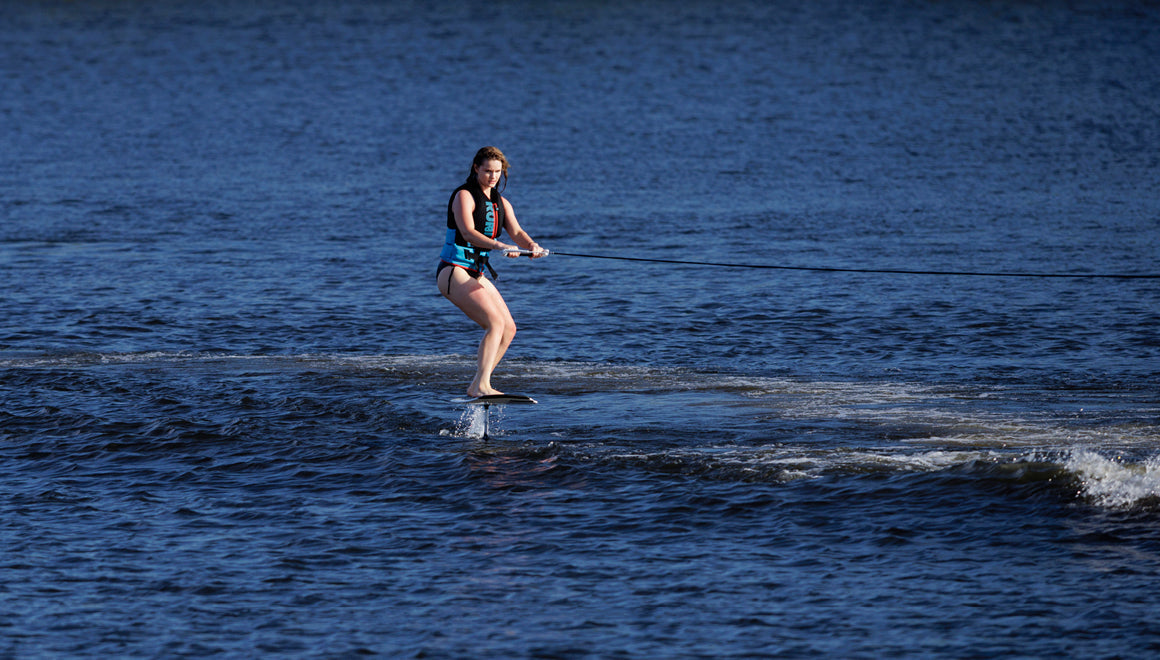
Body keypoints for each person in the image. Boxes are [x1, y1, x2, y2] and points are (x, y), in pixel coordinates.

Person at [436, 146, 546, 398]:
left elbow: (517, 233)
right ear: (476, 168)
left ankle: (478, 384)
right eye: (487, 171)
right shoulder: (464, 195)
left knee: (509, 329)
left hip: (476, 273)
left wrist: (531, 247)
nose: (492, 176)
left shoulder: (501, 203)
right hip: (454, 271)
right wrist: (501, 246)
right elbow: (467, 232)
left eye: (497, 172)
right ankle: (482, 387)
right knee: (494, 323)